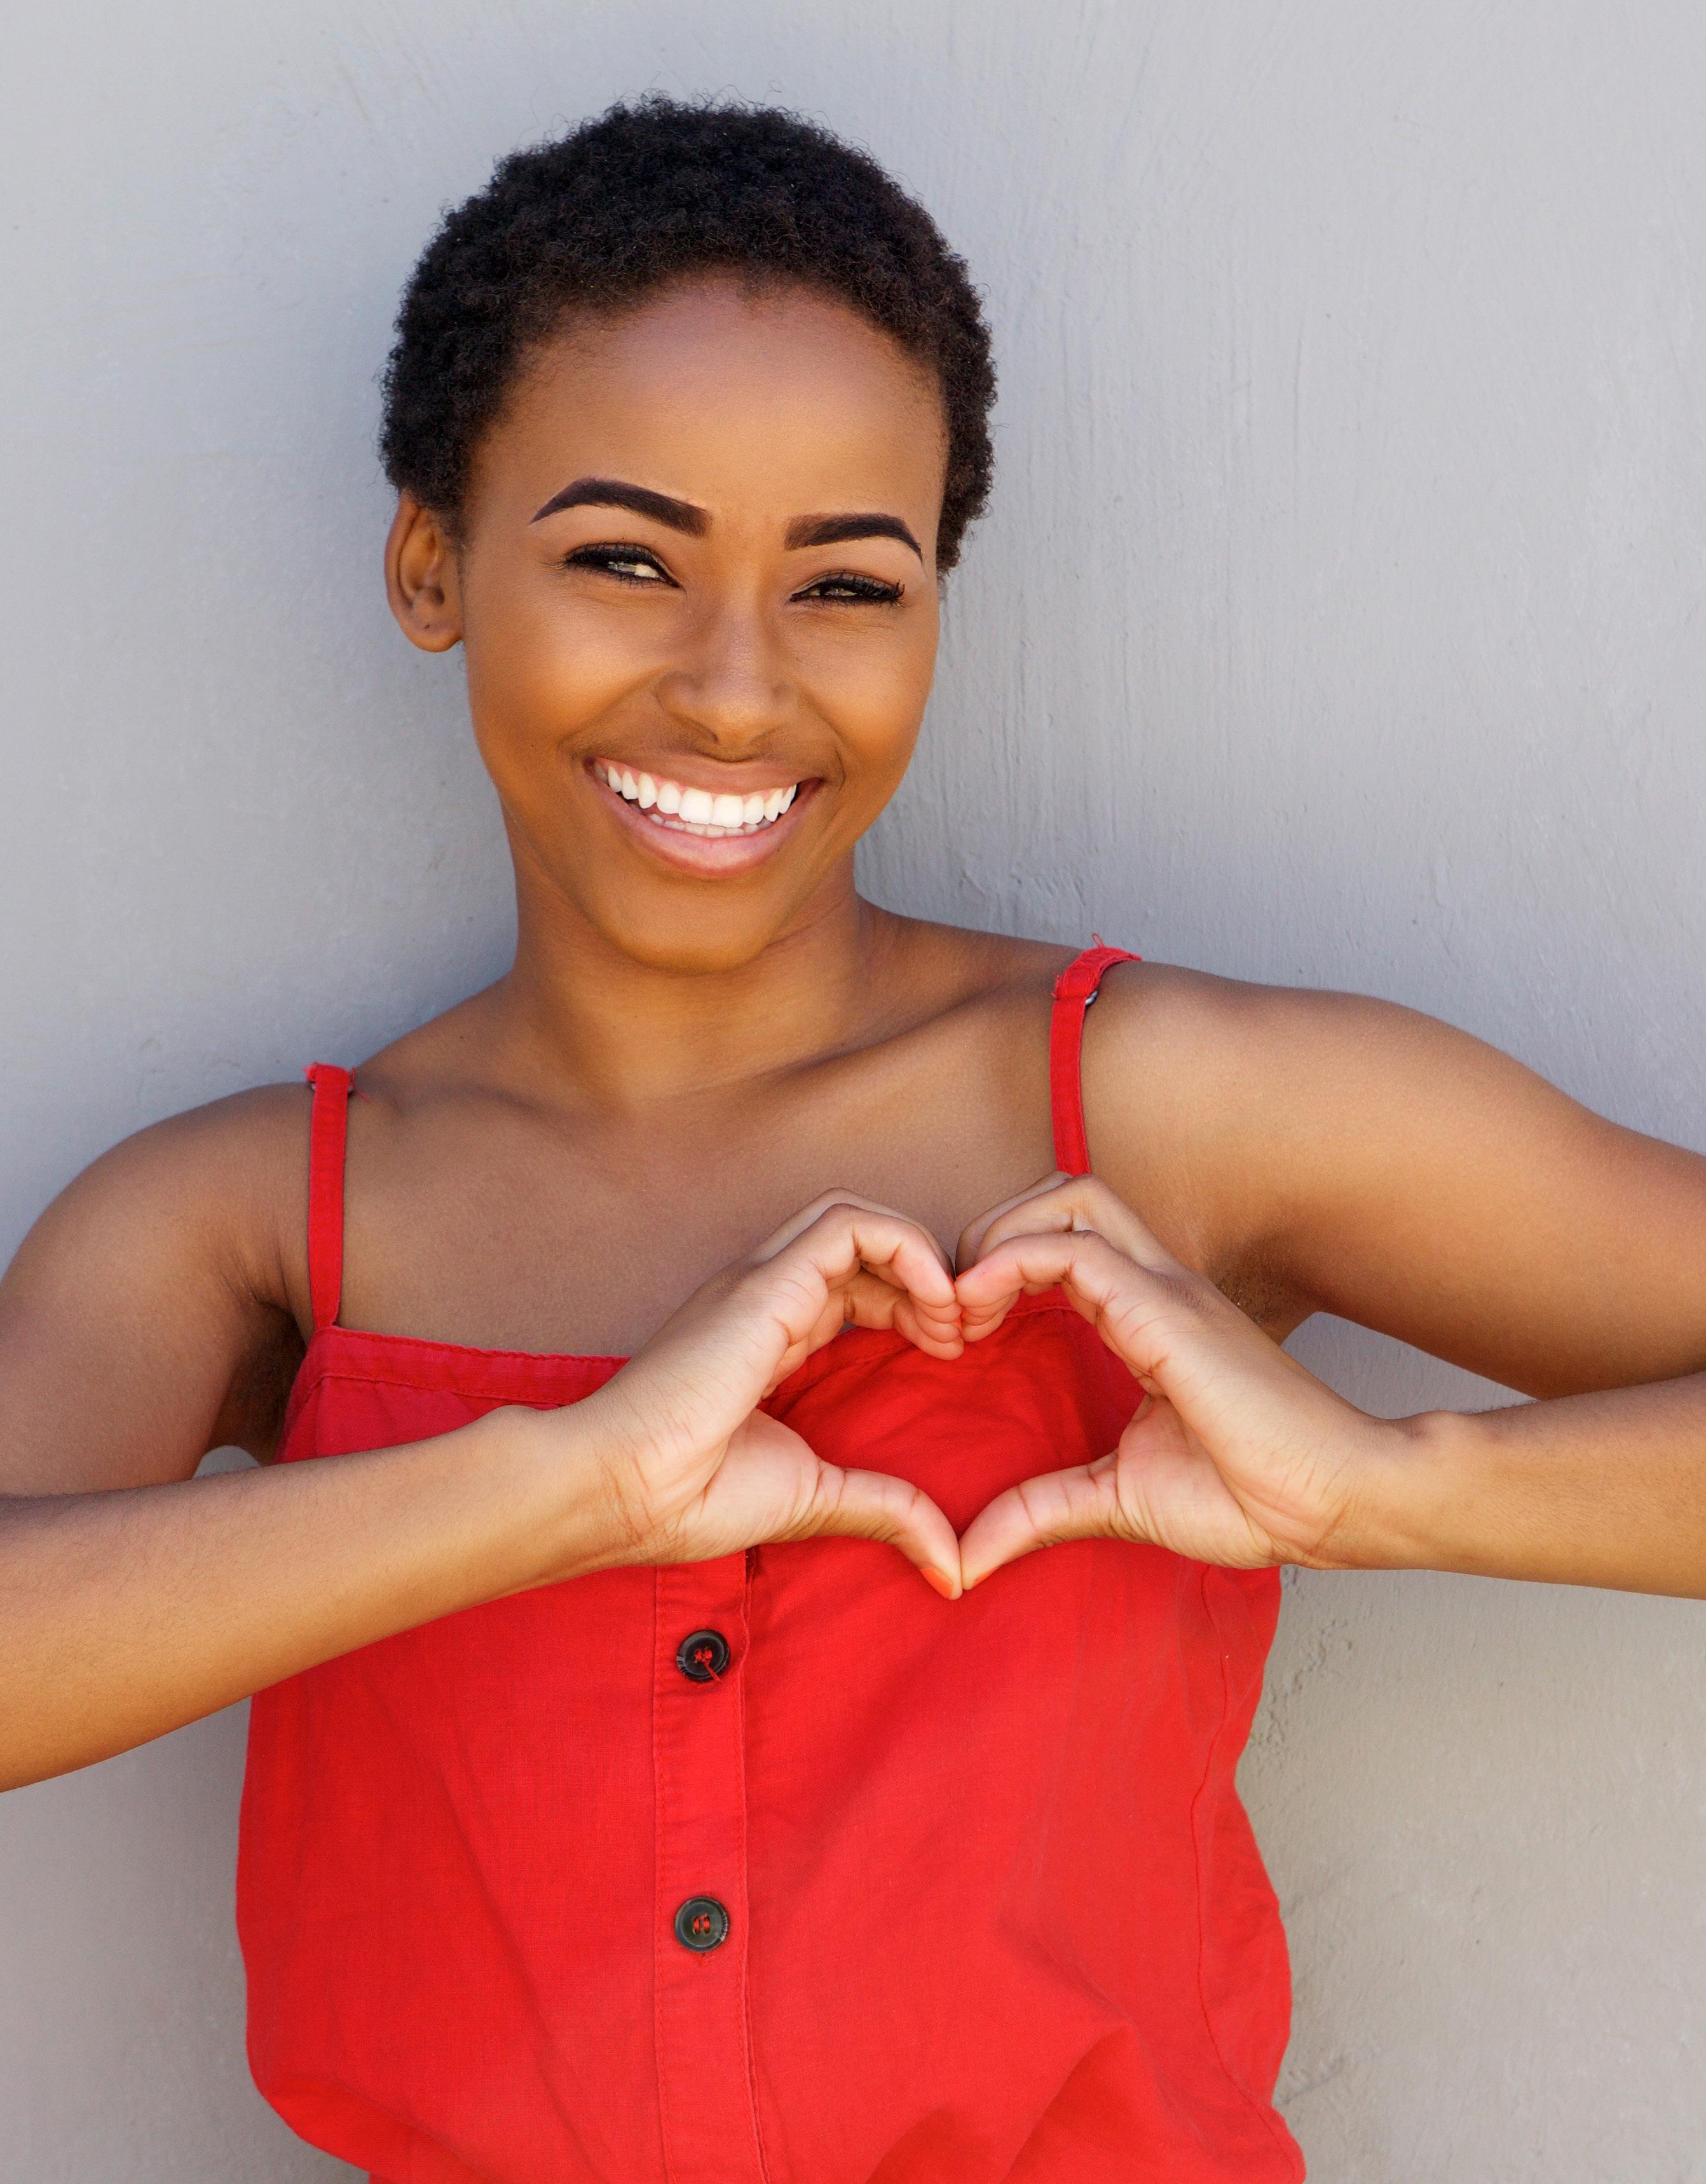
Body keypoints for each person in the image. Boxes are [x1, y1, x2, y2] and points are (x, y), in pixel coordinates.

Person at [2, 94, 1703, 2184]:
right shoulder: (248, 1218)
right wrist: (561, 1484)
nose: (735, 692)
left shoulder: (1167, 1110)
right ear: (431, 565)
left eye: (844, 583)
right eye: (625, 559)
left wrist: (1390, 1488)